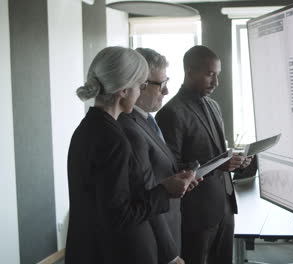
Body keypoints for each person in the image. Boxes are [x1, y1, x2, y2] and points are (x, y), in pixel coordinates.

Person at [66, 46, 195, 264]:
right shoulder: (113, 138)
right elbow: (119, 214)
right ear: (123, 90)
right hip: (118, 252)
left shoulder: (87, 128)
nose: (140, 92)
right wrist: (165, 190)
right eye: (140, 85)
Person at [156, 45, 251, 264]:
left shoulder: (214, 106)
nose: (216, 82)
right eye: (210, 74)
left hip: (224, 207)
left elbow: (215, 152)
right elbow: (170, 168)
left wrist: (236, 159)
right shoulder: (171, 113)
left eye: (218, 75)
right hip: (196, 213)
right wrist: (218, 165)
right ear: (190, 71)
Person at [118, 48, 199, 264]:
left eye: (167, 81)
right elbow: (143, 195)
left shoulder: (146, 120)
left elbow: (159, 173)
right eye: (160, 84)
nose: (166, 91)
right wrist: (170, 254)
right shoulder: (128, 127)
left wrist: (181, 176)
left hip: (169, 225)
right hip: (154, 242)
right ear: (138, 83)